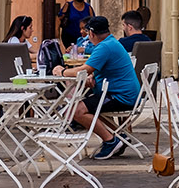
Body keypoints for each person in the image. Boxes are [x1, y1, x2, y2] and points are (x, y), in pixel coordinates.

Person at [59, 15, 141, 159]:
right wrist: (93, 76)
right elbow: (98, 69)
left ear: (91, 33)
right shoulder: (111, 42)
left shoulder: (103, 47)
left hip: (120, 96)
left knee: (75, 110)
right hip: (127, 93)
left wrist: (62, 71)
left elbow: (83, 70)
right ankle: (119, 136)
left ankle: (110, 141)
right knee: (91, 107)